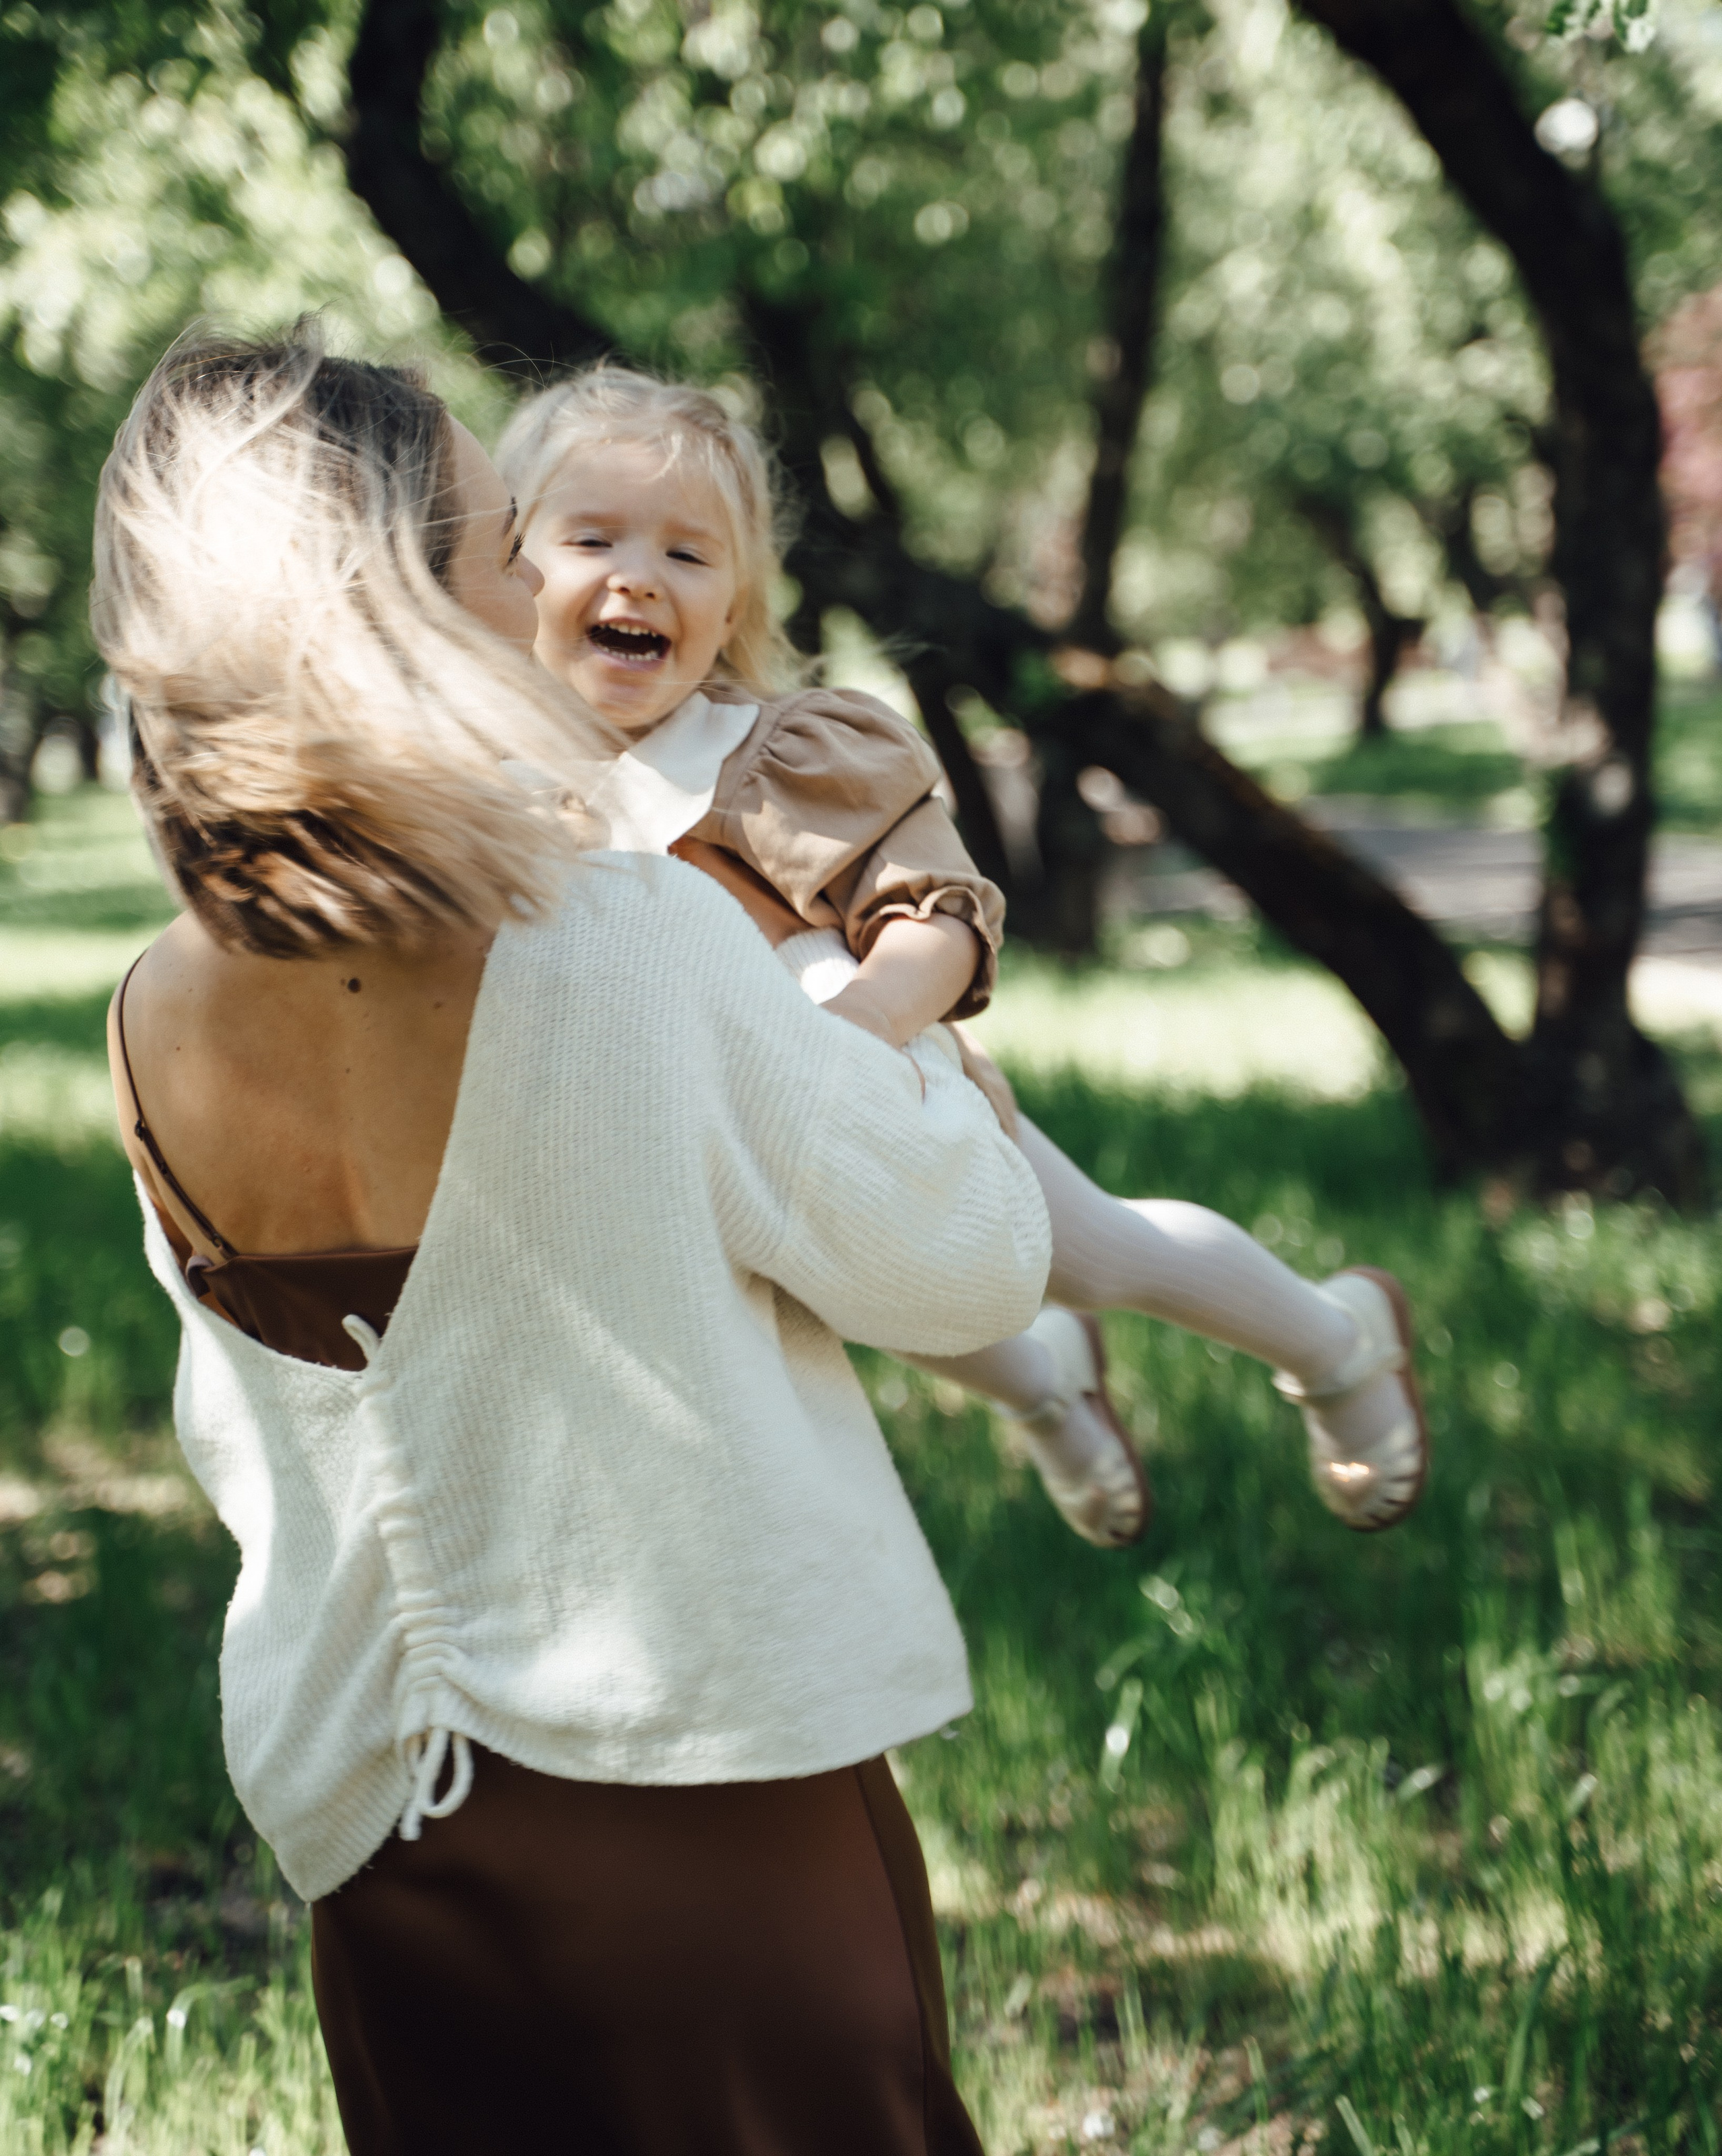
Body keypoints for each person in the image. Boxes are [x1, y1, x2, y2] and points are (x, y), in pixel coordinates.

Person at [96, 325, 1054, 2155]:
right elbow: (971, 1268)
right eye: (494, 542)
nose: (534, 579)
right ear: (399, 603)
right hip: (706, 1802)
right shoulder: (620, 943)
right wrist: (909, 1039)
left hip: (386, 1824)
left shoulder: (151, 1010)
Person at [492, 365, 1430, 1548]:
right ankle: (1049, 1389)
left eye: (688, 554)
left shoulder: (766, 759)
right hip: (678, 1138)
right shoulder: (493, 794)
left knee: (1093, 1253)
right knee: (872, 1303)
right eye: (592, 538)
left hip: (866, 1079)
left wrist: (863, 1030)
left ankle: (1336, 1342)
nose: (638, 574)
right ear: (504, 567)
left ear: (734, 604)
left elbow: (933, 913)